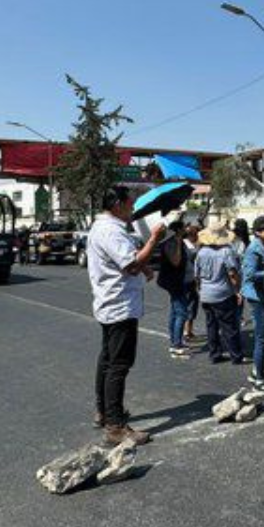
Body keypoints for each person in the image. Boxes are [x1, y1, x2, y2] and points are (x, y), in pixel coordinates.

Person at [85, 186, 167, 446]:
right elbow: (130, 264)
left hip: (110, 303)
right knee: (118, 365)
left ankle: (104, 412)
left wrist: (144, 269)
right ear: (118, 204)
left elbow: (127, 262)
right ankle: (115, 426)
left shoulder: (107, 228)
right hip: (119, 306)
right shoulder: (110, 230)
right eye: (130, 205)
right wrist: (154, 238)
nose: (132, 209)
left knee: (108, 360)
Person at [194, 225, 244, 364]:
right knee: (229, 326)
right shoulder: (226, 251)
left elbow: (197, 275)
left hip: (206, 293)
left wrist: (200, 289)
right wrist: (238, 290)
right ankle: (236, 355)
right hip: (222, 293)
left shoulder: (201, 252)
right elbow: (233, 273)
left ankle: (214, 354)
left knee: (211, 325)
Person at [241, 215, 264, 389]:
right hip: (257, 297)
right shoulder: (254, 249)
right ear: (257, 232)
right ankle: (259, 379)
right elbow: (250, 275)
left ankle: (258, 371)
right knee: (262, 338)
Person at [155, 218, 192, 359]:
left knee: (175, 311)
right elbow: (175, 261)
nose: (186, 230)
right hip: (173, 282)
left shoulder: (177, 241)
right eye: (183, 228)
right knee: (182, 312)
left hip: (176, 280)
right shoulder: (170, 243)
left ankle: (174, 340)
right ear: (178, 230)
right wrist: (177, 242)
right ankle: (176, 345)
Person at [182, 223, 201, 341]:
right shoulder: (188, 247)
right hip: (188, 278)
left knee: (191, 303)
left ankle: (188, 330)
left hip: (187, 278)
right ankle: (186, 331)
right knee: (190, 303)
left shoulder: (185, 244)